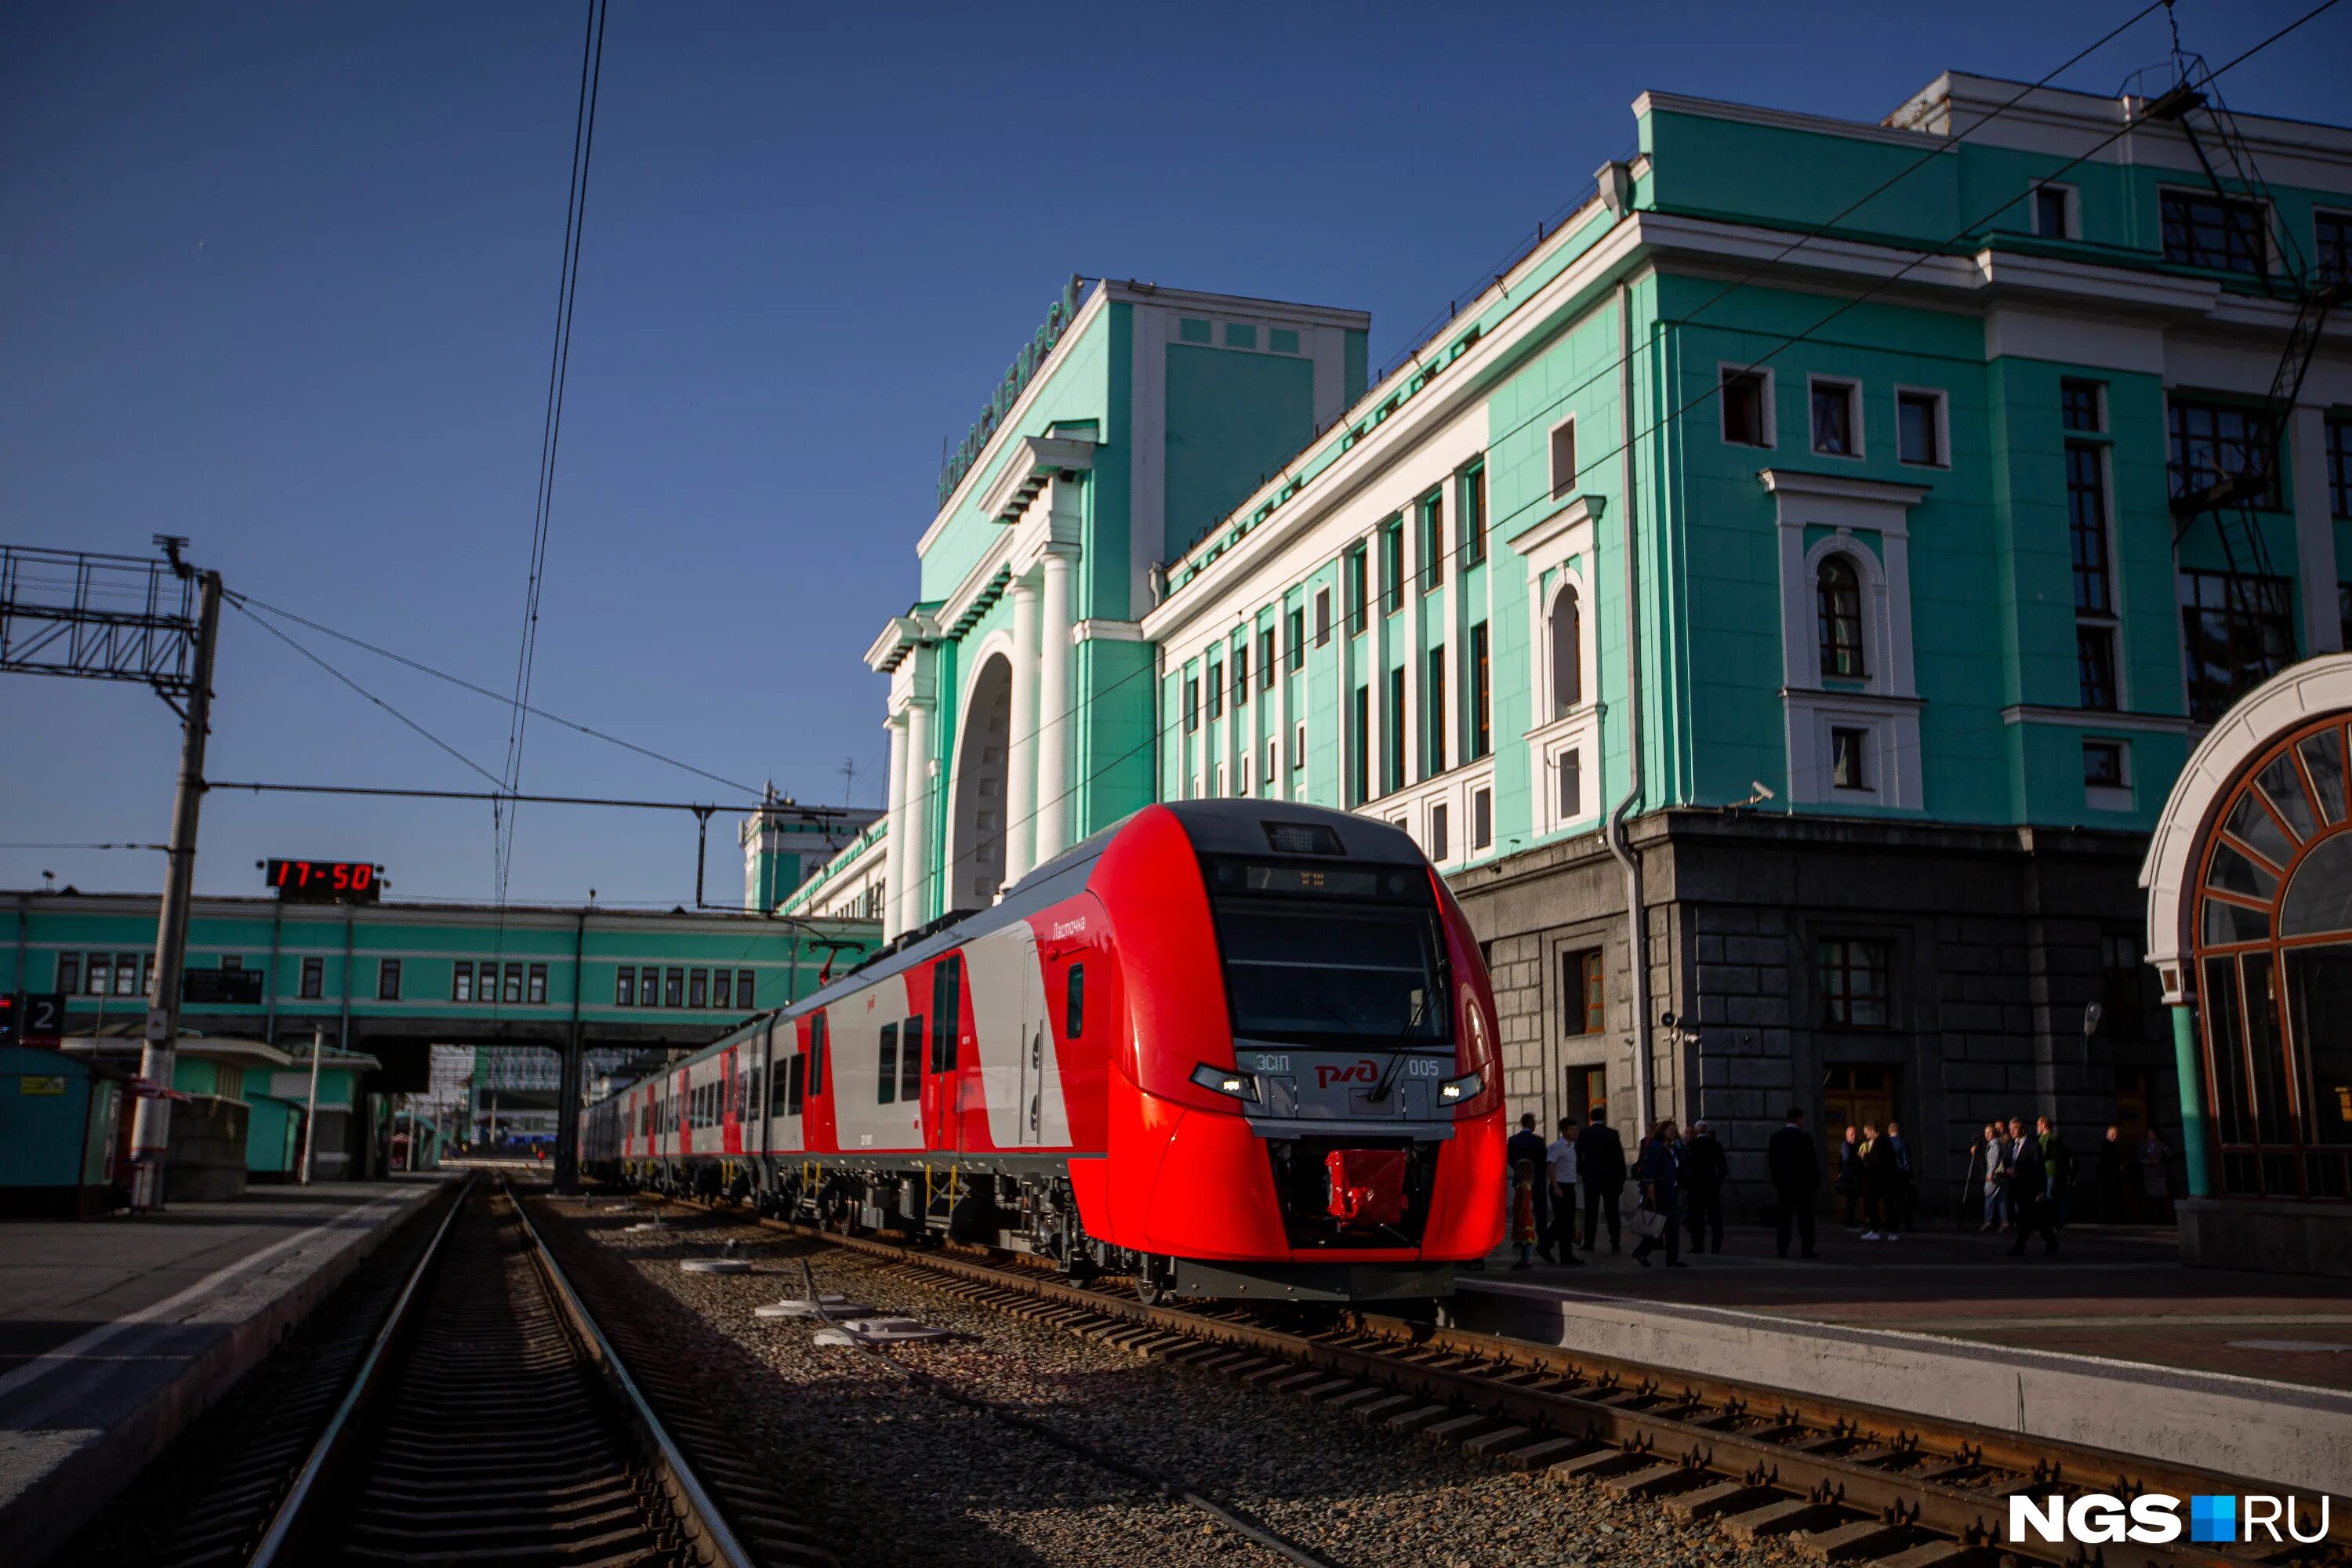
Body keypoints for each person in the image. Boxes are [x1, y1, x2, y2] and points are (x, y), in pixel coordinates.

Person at [1630, 1119, 1688, 1268]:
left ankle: (1671, 1258)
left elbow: (1684, 1162)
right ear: (1662, 1131)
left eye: (1675, 1129)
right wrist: (1651, 1192)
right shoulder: (1656, 1148)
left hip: (1672, 1190)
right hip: (1661, 1191)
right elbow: (1651, 1172)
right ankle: (1643, 1251)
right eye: (1670, 1129)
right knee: (1661, 1225)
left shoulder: (1673, 1148)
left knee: (1671, 1225)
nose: (1673, 1132)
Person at [1767, 1107, 1820, 1258]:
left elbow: (1772, 1163)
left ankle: (1782, 1248)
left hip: (1784, 1186)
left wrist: (1777, 1181)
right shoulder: (1805, 1138)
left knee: (1784, 1219)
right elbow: (1811, 1163)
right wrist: (1815, 1183)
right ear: (1798, 1119)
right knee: (1806, 1219)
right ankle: (1807, 1249)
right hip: (1803, 1186)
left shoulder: (1776, 1138)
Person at [1576, 1106, 1627, 1252]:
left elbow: (1578, 1154)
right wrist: (1621, 1178)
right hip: (1610, 1178)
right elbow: (1619, 1157)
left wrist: (1580, 1171)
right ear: (1604, 1117)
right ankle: (1615, 1242)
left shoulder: (1585, 1133)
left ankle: (1589, 1243)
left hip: (1591, 1177)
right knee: (1612, 1211)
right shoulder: (1612, 1134)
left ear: (1591, 1118)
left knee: (1591, 1210)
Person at [2007, 1116, 2059, 1256]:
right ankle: (2051, 1241)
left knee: (2025, 1219)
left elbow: (2038, 1167)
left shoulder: (2032, 1144)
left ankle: (2019, 1248)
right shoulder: (2013, 1145)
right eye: (2010, 1129)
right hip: (2018, 1187)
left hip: (2029, 1187)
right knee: (2035, 1219)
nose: (2012, 1132)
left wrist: (2020, 1172)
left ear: (2022, 1129)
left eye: (2014, 1128)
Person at [1505, 1112, 1553, 1264]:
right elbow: (1543, 1160)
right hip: (1537, 1179)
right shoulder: (1538, 1141)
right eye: (1534, 1122)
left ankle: (1519, 1237)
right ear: (1528, 1123)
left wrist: (1520, 1170)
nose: (1535, 1125)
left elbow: (1510, 1158)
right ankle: (1542, 1239)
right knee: (1540, 1212)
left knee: (1520, 1209)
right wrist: (1536, 1173)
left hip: (1520, 1179)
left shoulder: (1513, 1140)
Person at [1683, 1120, 1728, 1254]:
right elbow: (1722, 1168)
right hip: (1711, 1185)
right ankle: (1716, 1246)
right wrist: (1717, 1183)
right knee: (1715, 1218)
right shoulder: (1716, 1145)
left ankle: (1698, 1246)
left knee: (1697, 1218)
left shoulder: (1691, 1145)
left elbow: (1686, 1167)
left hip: (1695, 1186)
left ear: (1696, 1131)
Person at [1545, 1116, 1584, 1264]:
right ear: (1563, 1131)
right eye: (1571, 1129)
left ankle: (1565, 1255)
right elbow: (1551, 1167)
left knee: (1567, 1222)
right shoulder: (1557, 1146)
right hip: (1559, 1186)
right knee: (1563, 1221)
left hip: (1570, 1186)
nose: (1575, 1132)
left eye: (1576, 1129)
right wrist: (1555, 1186)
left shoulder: (1573, 1147)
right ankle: (1546, 1244)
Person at [1859, 1122, 1900, 1241]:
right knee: (1884, 1205)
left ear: (1872, 1131)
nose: (1866, 1136)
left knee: (1884, 1205)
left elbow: (1876, 1160)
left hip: (1881, 1180)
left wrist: (1865, 1156)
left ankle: (1884, 1231)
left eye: (1867, 1133)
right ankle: (1881, 1230)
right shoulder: (1883, 1141)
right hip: (1883, 1179)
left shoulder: (1880, 1143)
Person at [2037, 1116, 2073, 1230]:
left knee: (2049, 1196)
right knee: (2060, 1196)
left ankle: (2050, 1222)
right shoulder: (2057, 1137)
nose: (2037, 1127)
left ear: (2044, 1125)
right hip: (2059, 1170)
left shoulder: (2045, 1138)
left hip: (2049, 1170)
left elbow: (2041, 1155)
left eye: (2038, 1125)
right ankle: (2062, 1221)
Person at [1508, 1151, 1541, 1270]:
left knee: (1525, 1240)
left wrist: (1519, 1215)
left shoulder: (1522, 1186)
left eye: (1518, 1169)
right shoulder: (1527, 1184)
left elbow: (1522, 1204)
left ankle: (1526, 1260)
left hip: (1523, 1216)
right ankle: (1525, 1259)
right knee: (1525, 1240)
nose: (1516, 1171)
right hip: (1526, 1215)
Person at [1884, 1119, 1915, 1230]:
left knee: (1891, 1202)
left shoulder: (1886, 1143)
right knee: (1903, 1201)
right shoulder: (1903, 1143)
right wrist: (1910, 1177)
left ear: (1889, 1131)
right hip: (1902, 1176)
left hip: (1889, 1176)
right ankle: (1907, 1224)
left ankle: (1892, 1224)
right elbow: (1906, 1161)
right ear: (1898, 1131)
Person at [1982, 1121, 2014, 1232]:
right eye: (1985, 1133)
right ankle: (2004, 1222)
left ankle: (1988, 1221)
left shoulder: (1995, 1144)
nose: (1987, 1135)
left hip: (1995, 1176)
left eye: (1989, 1132)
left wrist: (1990, 1173)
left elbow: (1995, 1159)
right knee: (2002, 1200)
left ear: (1994, 1133)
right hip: (2001, 1176)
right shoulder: (1995, 1143)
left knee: (1989, 1197)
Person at [2138, 1128, 2172, 1223]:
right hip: (2150, 1175)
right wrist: (2148, 1161)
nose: (2151, 1136)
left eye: (2152, 1134)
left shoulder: (2159, 1144)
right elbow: (2140, 1159)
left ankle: (2164, 1218)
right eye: (2149, 1134)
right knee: (2151, 1198)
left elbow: (2169, 1153)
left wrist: (2160, 1144)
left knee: (2162, 1197)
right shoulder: (2144, 1145)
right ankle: (2152, 1218)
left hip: (2160, 1174)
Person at [2095, 1125, 2126, 1224]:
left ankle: (2115, 1218)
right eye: (2112, 1134)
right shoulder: (2105, 1146)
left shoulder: (2117, 1146)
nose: (2114, 1136)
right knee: (2104, 1198)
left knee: (2114, 1198)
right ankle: (2104, 1218)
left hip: (2114, 1176)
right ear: (2108, 1134)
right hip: (2106, 1176)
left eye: (2115, 1134)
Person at [1835, 1125, 1863, 1227]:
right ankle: (1849, 1221)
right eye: (1852, 1134)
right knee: (1851, 1200)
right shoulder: (1845, 1145)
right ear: (1847, 1135)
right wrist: (1858, 1156)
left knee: (1853, 1200)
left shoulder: (1856, 1145)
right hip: (1848, 1178)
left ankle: (1851, 1220)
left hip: (1854, 1178)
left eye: (1855, 1134)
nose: (1854, 1136)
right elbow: (1846, 1160)